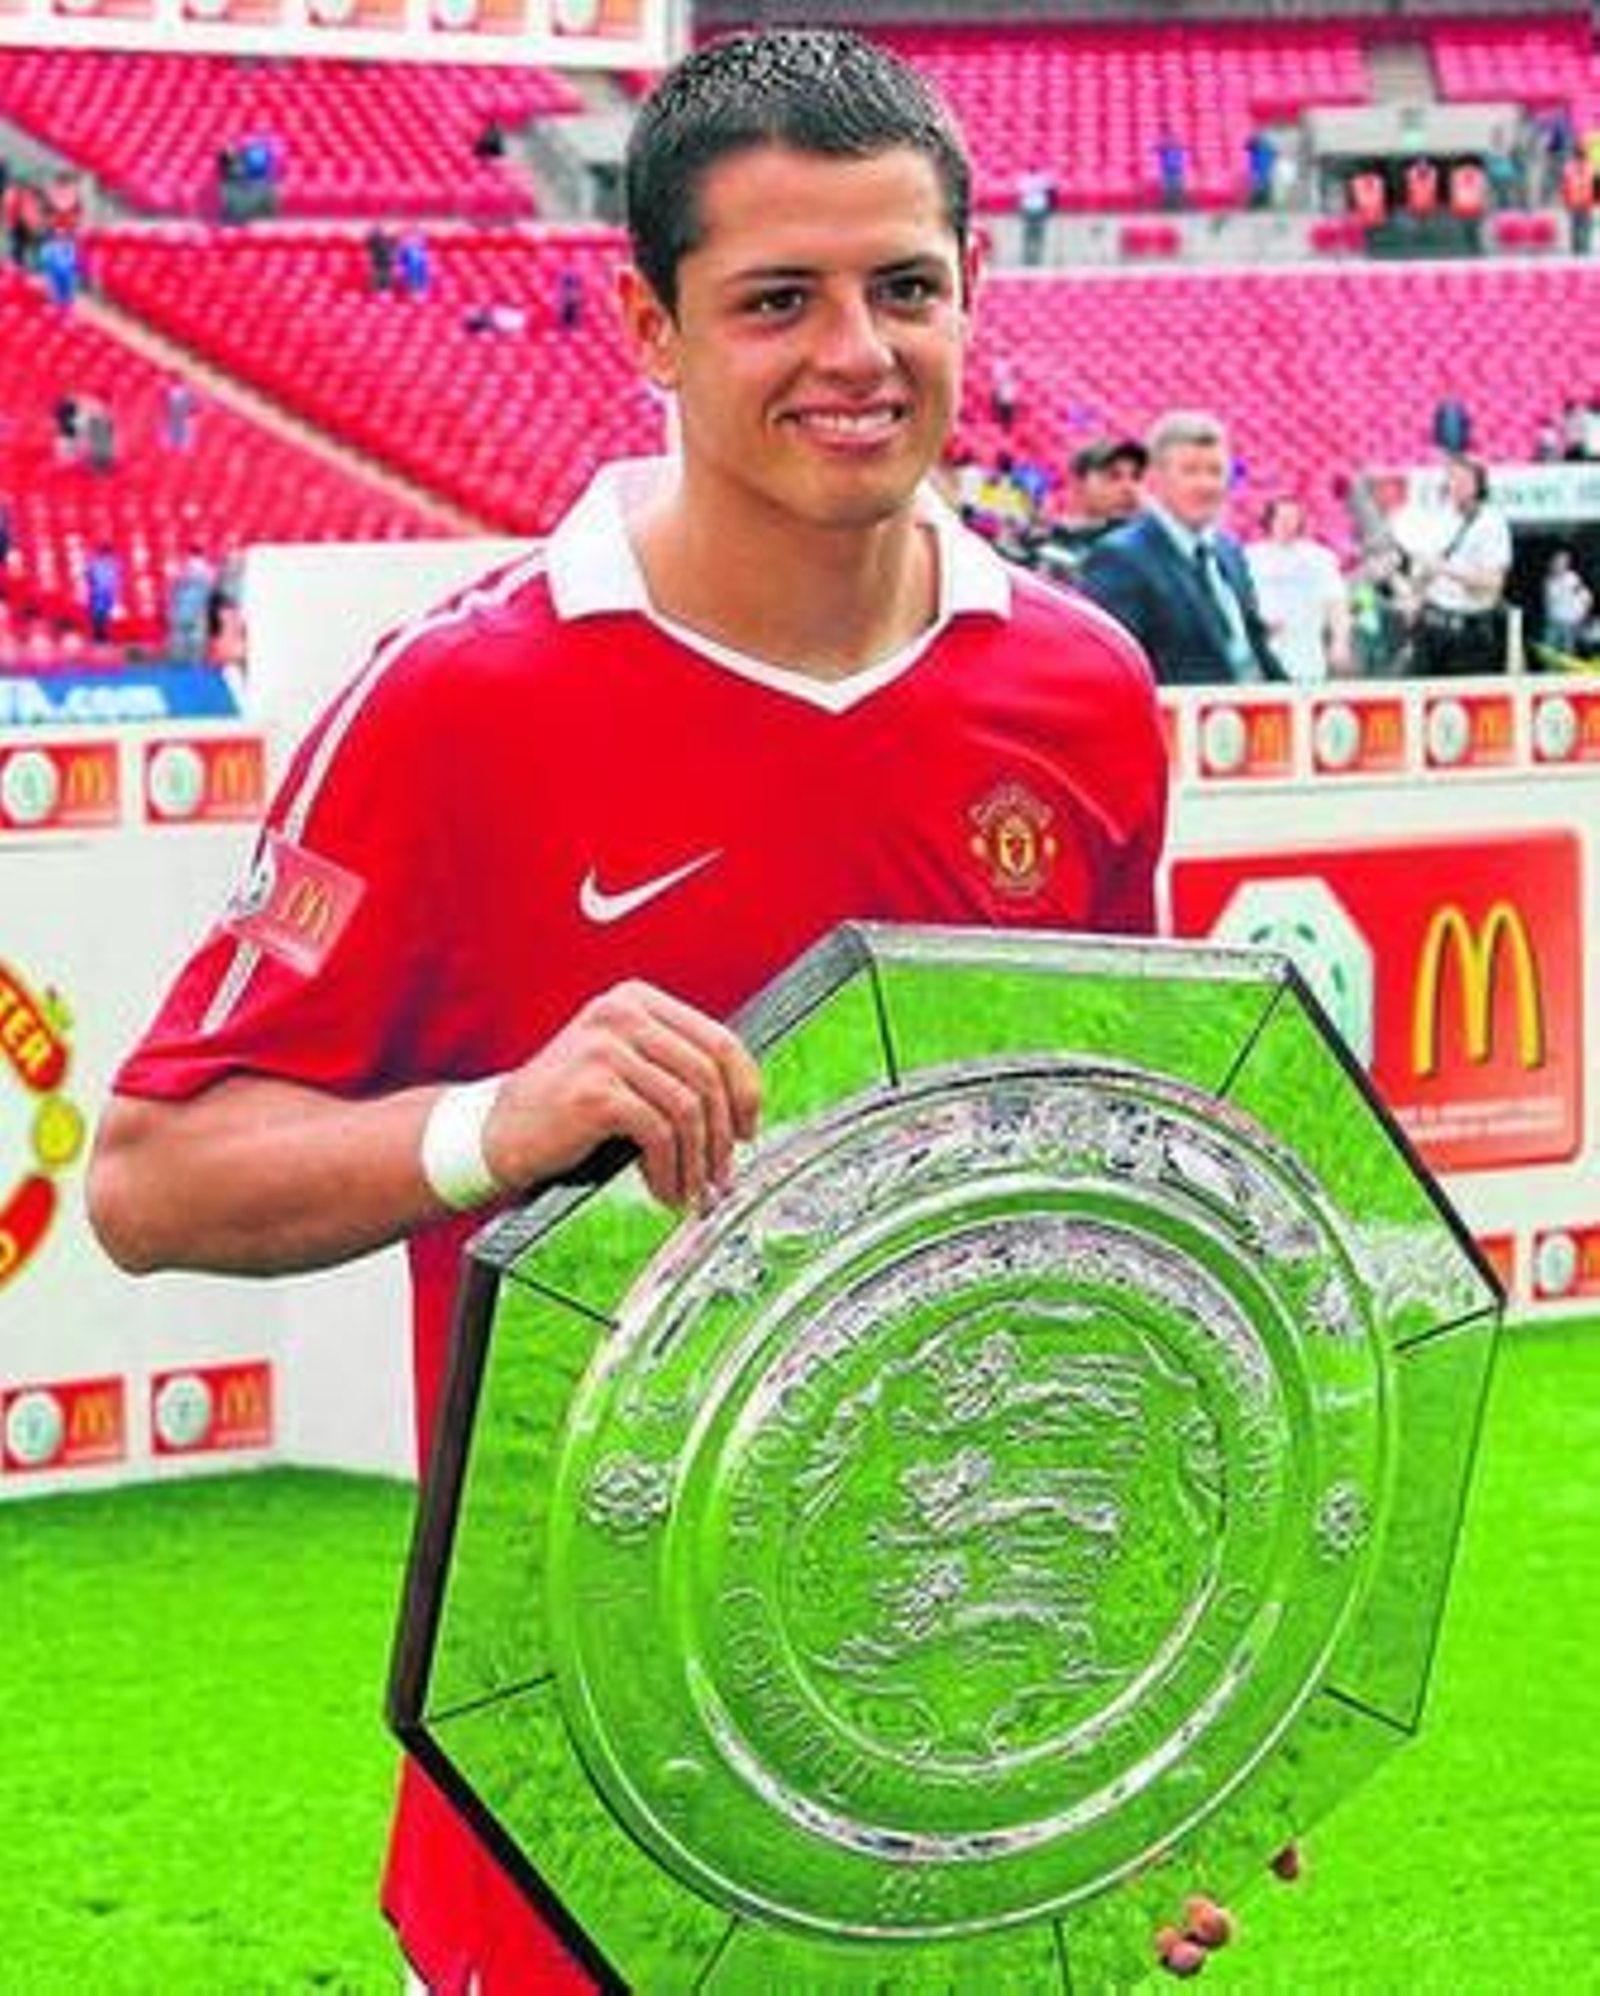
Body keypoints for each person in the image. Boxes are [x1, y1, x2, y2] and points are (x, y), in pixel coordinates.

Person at [89, 30, 1254, 1990]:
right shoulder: (461, 702)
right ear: (647, 323)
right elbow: (147, 1176)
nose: (853, 352)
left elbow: (1105, 1247)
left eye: (904, 286)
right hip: (568, 1807)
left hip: (951, 1779)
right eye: (773, 300)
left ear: (975, 296)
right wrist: (497, 1122)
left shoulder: (1078, 689)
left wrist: (1138, 1735)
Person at [1080, 410, 1284, 685]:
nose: (1206, 484)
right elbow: (1111, 672)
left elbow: (1257, 653)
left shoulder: (1229, 552)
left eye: (1215, 471)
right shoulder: (1120, 557)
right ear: (1155, 479)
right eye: (1190, 471)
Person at [1399, 454, 1513, 677]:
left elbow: (1493, 584)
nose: (1455, 485)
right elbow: (1423, 571)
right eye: (1451, 478)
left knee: (1467, 704)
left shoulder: (1491, 523)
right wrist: (1415, 595)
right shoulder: (1438, 519)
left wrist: (1446, 569)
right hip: (1430, 625)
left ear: (1479, 485)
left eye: (1463, 480)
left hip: (1469, 632)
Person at [1245, 496, 1352, 684]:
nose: (1287, 524)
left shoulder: (1319, 557)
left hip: (1306, 654)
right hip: (1262, 653)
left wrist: (1339, 642)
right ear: (1269, 521)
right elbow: (1240, 603)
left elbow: (1336, 603)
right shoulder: (1250, 557)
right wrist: (1257, 624)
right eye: (1282, 518)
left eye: (1293, 518)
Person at [1037, 436, 1147, 580]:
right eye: (1113, 476)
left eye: (1135, 478)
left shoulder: (1133, 544)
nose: (1127, 487)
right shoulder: (1047, 536)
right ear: (1079, 482)